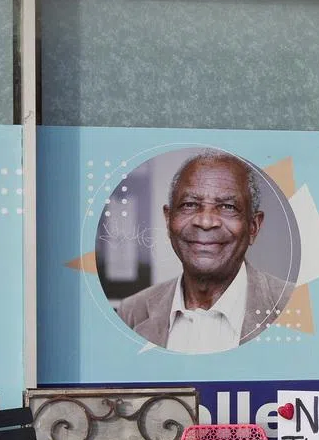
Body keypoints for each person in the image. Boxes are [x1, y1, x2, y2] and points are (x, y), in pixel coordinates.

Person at [117, 151, 293, 353]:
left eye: (227, 206)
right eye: (189, 205)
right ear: (168, 220)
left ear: (253, 226)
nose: (206, 221)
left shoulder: (293, 307)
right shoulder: (132, 312)